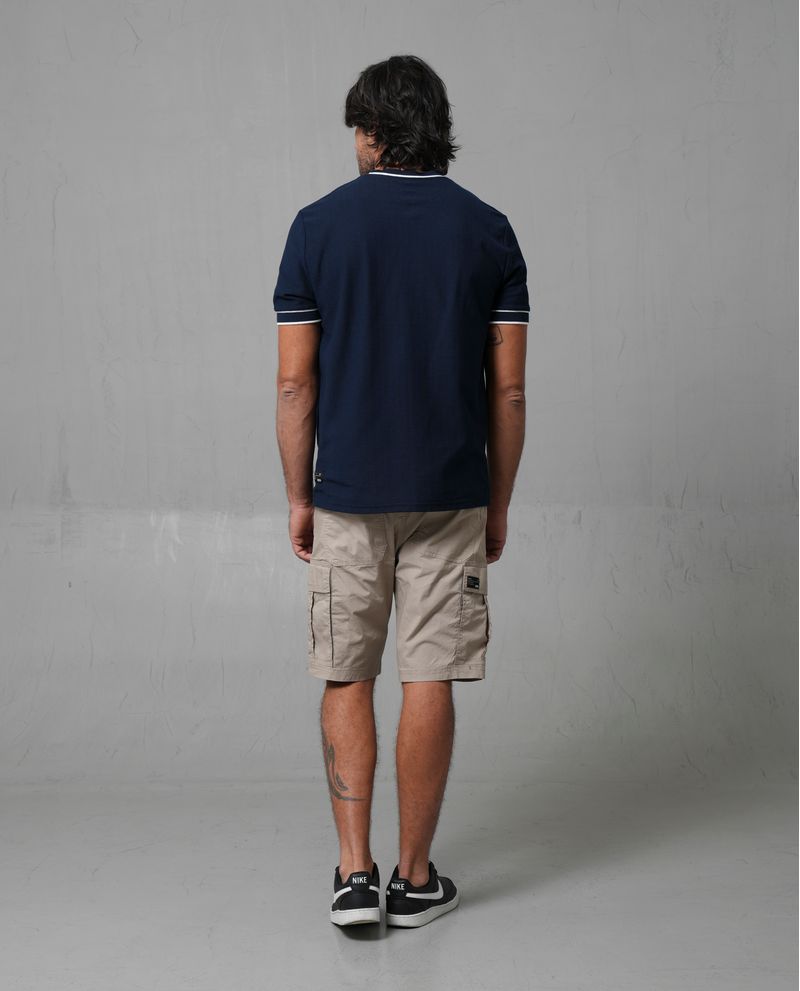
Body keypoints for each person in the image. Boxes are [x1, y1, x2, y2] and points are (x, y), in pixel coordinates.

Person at [273, 54, 529, 928]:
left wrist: (298, 496)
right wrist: (499, 500)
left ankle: (354, 876)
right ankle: (415, 880)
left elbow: (295, 383)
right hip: (452, 493)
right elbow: (508, 392)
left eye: (357, 127)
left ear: (375, 131)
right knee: (430, 675)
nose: (353, 142)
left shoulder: (316, 228)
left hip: (345, 493)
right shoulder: (489, 231)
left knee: (347, 670)